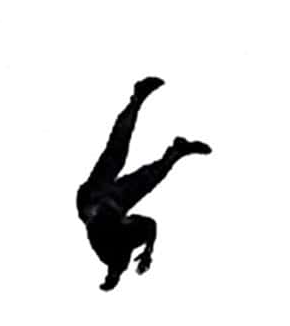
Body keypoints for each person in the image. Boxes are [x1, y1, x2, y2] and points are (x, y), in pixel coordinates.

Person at [76, 76, 211, 291]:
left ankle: (137, 98)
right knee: (152, 177)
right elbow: (151, 225)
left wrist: (110, 281)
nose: (131, 221)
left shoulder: (108, 252)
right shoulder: (131, 240)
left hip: (92, 197)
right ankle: (178, 150)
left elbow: (108, 259)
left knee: (117, 150)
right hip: (117, 201)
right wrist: (149, 250)